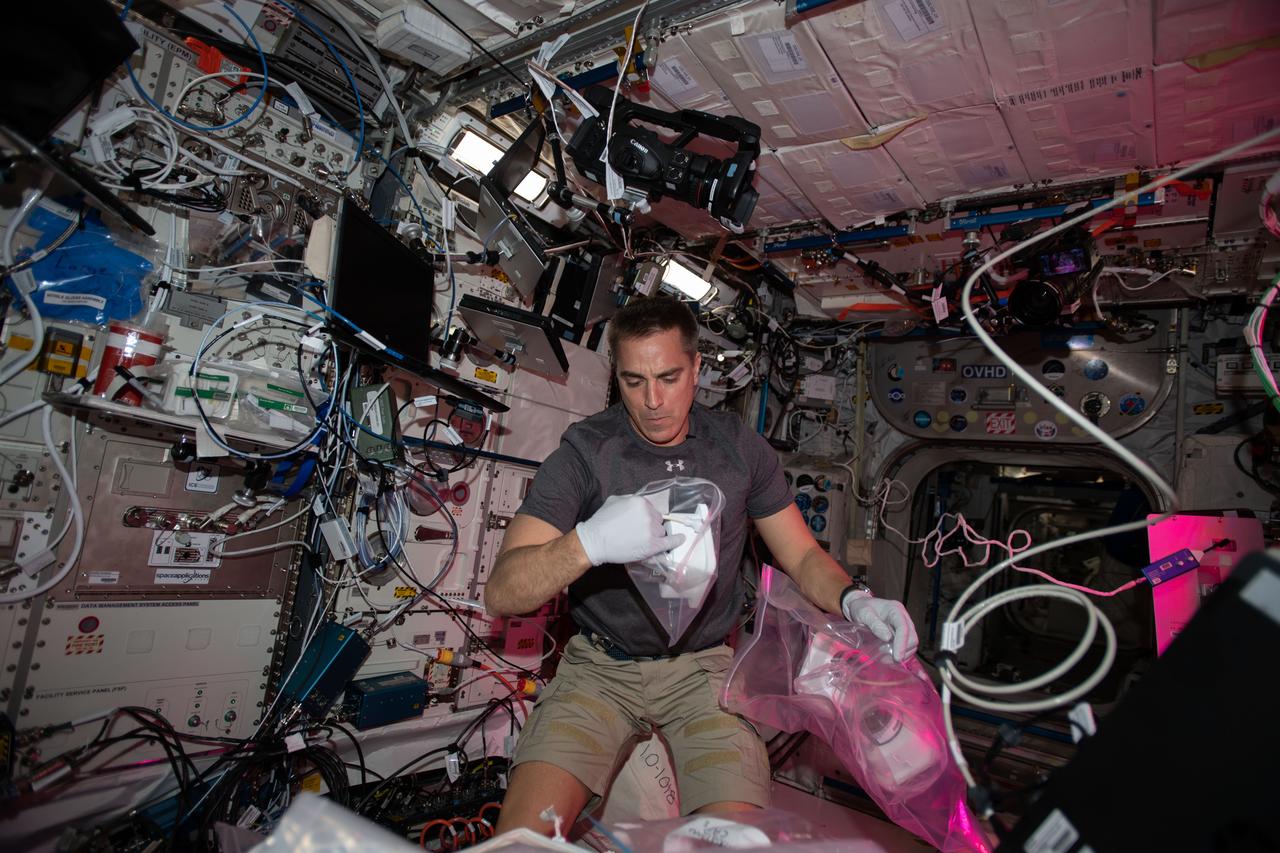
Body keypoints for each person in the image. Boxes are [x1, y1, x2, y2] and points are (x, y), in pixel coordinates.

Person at [483, 296, 917, 836]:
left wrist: (857, 600)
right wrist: (587, 544)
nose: (653, 400)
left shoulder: (739, 449)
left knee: (734, 843)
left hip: (702, 671)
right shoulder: (586, 451)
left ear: (696, 369)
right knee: (520, 842)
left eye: (668, 376)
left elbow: (802, 554)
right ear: (616, 377)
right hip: (598, 673)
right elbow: (503, 591)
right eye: (634, 381)